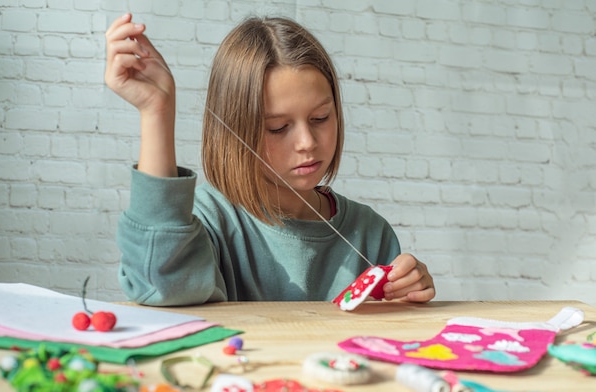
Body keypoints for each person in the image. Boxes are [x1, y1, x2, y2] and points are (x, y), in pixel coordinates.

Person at [104, 13, 436, 306]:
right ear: (236, 129)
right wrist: (156, 112)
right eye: (278, 128)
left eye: (320, 118)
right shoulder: (205, 221)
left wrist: (410, 293)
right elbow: (159, 285)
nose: (307, 143)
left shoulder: (370, 232)